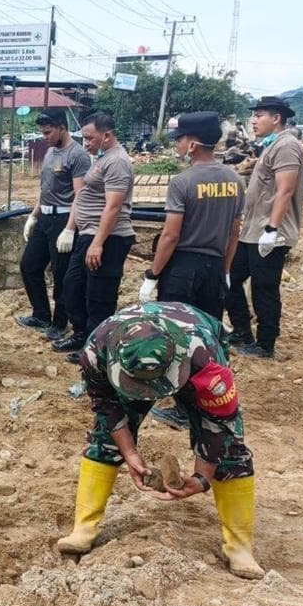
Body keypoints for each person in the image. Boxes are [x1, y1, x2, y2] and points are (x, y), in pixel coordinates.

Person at [56, 301, 264, 580]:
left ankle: (240, 548)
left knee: (231, 451)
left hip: (195, 348)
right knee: (105, 438)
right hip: (136, 353)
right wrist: (130, 454)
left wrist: (203, 479)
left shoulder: (206, 358)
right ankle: (82, 529)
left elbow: (219, 421)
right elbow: (106, 405)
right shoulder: (97, 350)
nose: (148, 395)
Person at [140, 111, 245, 320]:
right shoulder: (235, 180)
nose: (176, 144)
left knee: (176, 334)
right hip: (214, 269)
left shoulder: (183, 182)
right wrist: (224, 271)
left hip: (182, 269)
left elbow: (170, 236)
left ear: (192, 144)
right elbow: (234, 233)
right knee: (206, 334)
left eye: (180, 139)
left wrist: (153, 274)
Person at [225, 96, 303, 358]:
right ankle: (242, 332)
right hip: (253, 230)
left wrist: (272, 230)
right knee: (231, 279)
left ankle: (265, 344)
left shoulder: (287, 146)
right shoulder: (270, 145)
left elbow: (285, 190)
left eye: (259, 115)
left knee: (264, 288)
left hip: (270, 233)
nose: (253, 120)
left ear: (276, 118)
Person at [52, 112, 135, 364]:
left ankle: (97, 351)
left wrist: (98, 242)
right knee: (73, 286)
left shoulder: (118, 161)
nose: (85, 143)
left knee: (99, 296)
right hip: (88, 234)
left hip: (108, 238)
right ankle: (82, 335)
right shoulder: (102, 158)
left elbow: (113, 206)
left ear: (106, 135)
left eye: (89, 138)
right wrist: (72, 228)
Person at [16, 108, 91, 340]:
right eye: (42, 132)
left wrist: (70, 228)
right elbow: (45, 189)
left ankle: (60, 323)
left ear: (62, 127)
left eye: (48, 132)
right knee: (29, 266)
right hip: (45, 218)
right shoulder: (50, 153)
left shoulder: (77, 155)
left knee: (61, 275)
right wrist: (34, 215)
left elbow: (80, 196)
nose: (45, 137)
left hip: (64, 219)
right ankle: (41, 314)